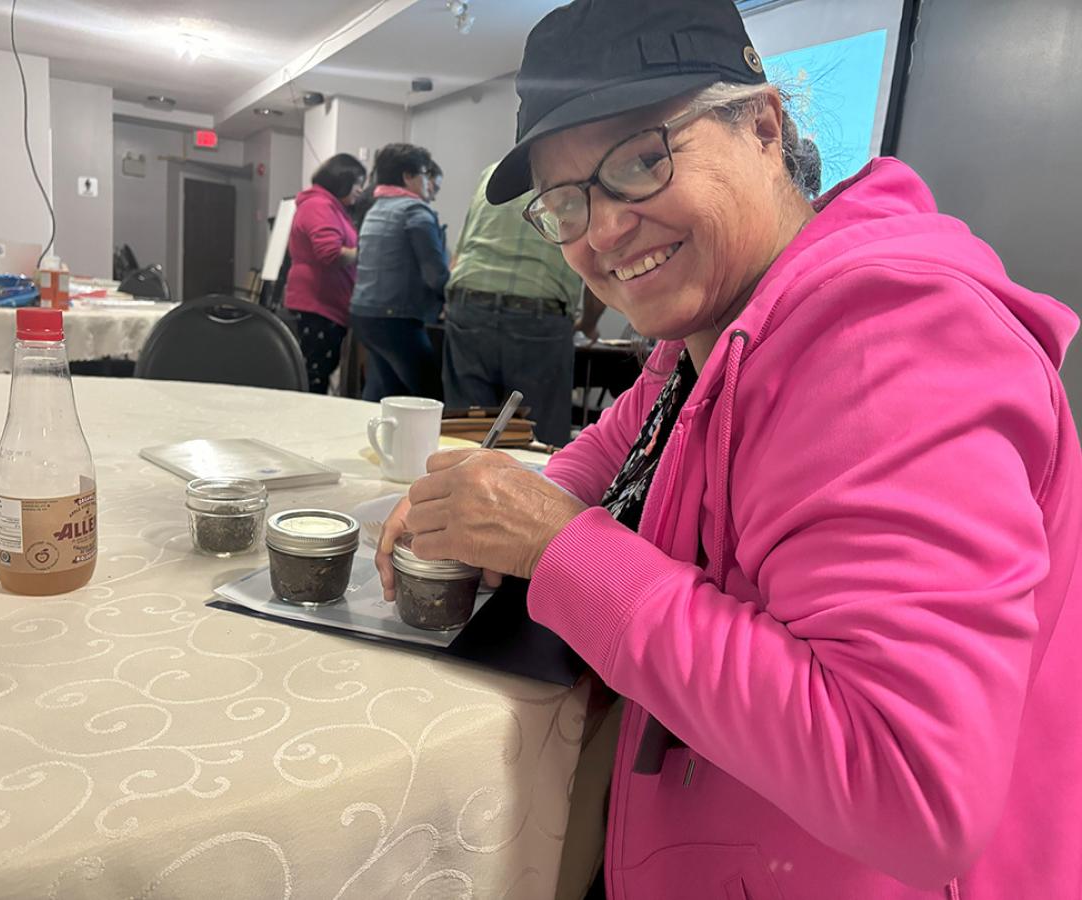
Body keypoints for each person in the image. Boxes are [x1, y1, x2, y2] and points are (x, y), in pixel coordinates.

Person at [375, 0, 1082, 897]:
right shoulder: (713, 331)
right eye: (565, 202)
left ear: (762, 125)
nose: (599, 232)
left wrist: (558, 550)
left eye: (639, 159)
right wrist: (495, 512)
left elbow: (913, 790)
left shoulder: (890, 343)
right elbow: (612, 451)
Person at [442, 162, 603, 446]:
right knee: (538, 437)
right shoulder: (578, 171)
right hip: (539, 315)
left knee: (465, 429)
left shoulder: (492, 171)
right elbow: (600, 258)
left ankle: (461, 485)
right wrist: (588, 323)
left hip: (469, 302)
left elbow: (460, 252)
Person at [349, 143, 450, 400]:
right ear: (407, 176)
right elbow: (434, 275)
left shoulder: (376, 209)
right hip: (396, 319)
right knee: (431, 399)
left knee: (387, 394)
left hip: (364, 314)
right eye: (425, 174)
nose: (428, 182)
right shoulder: (415, 212)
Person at [282, 153, 366, 393]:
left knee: (318, 372)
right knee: (315, 375)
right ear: (342, 180)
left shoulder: (329, 206)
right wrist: (365, 252)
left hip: (325, 304)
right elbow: (330, 254)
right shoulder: (320, 205)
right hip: (318, 305)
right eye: (357, 182)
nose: (360, 190)